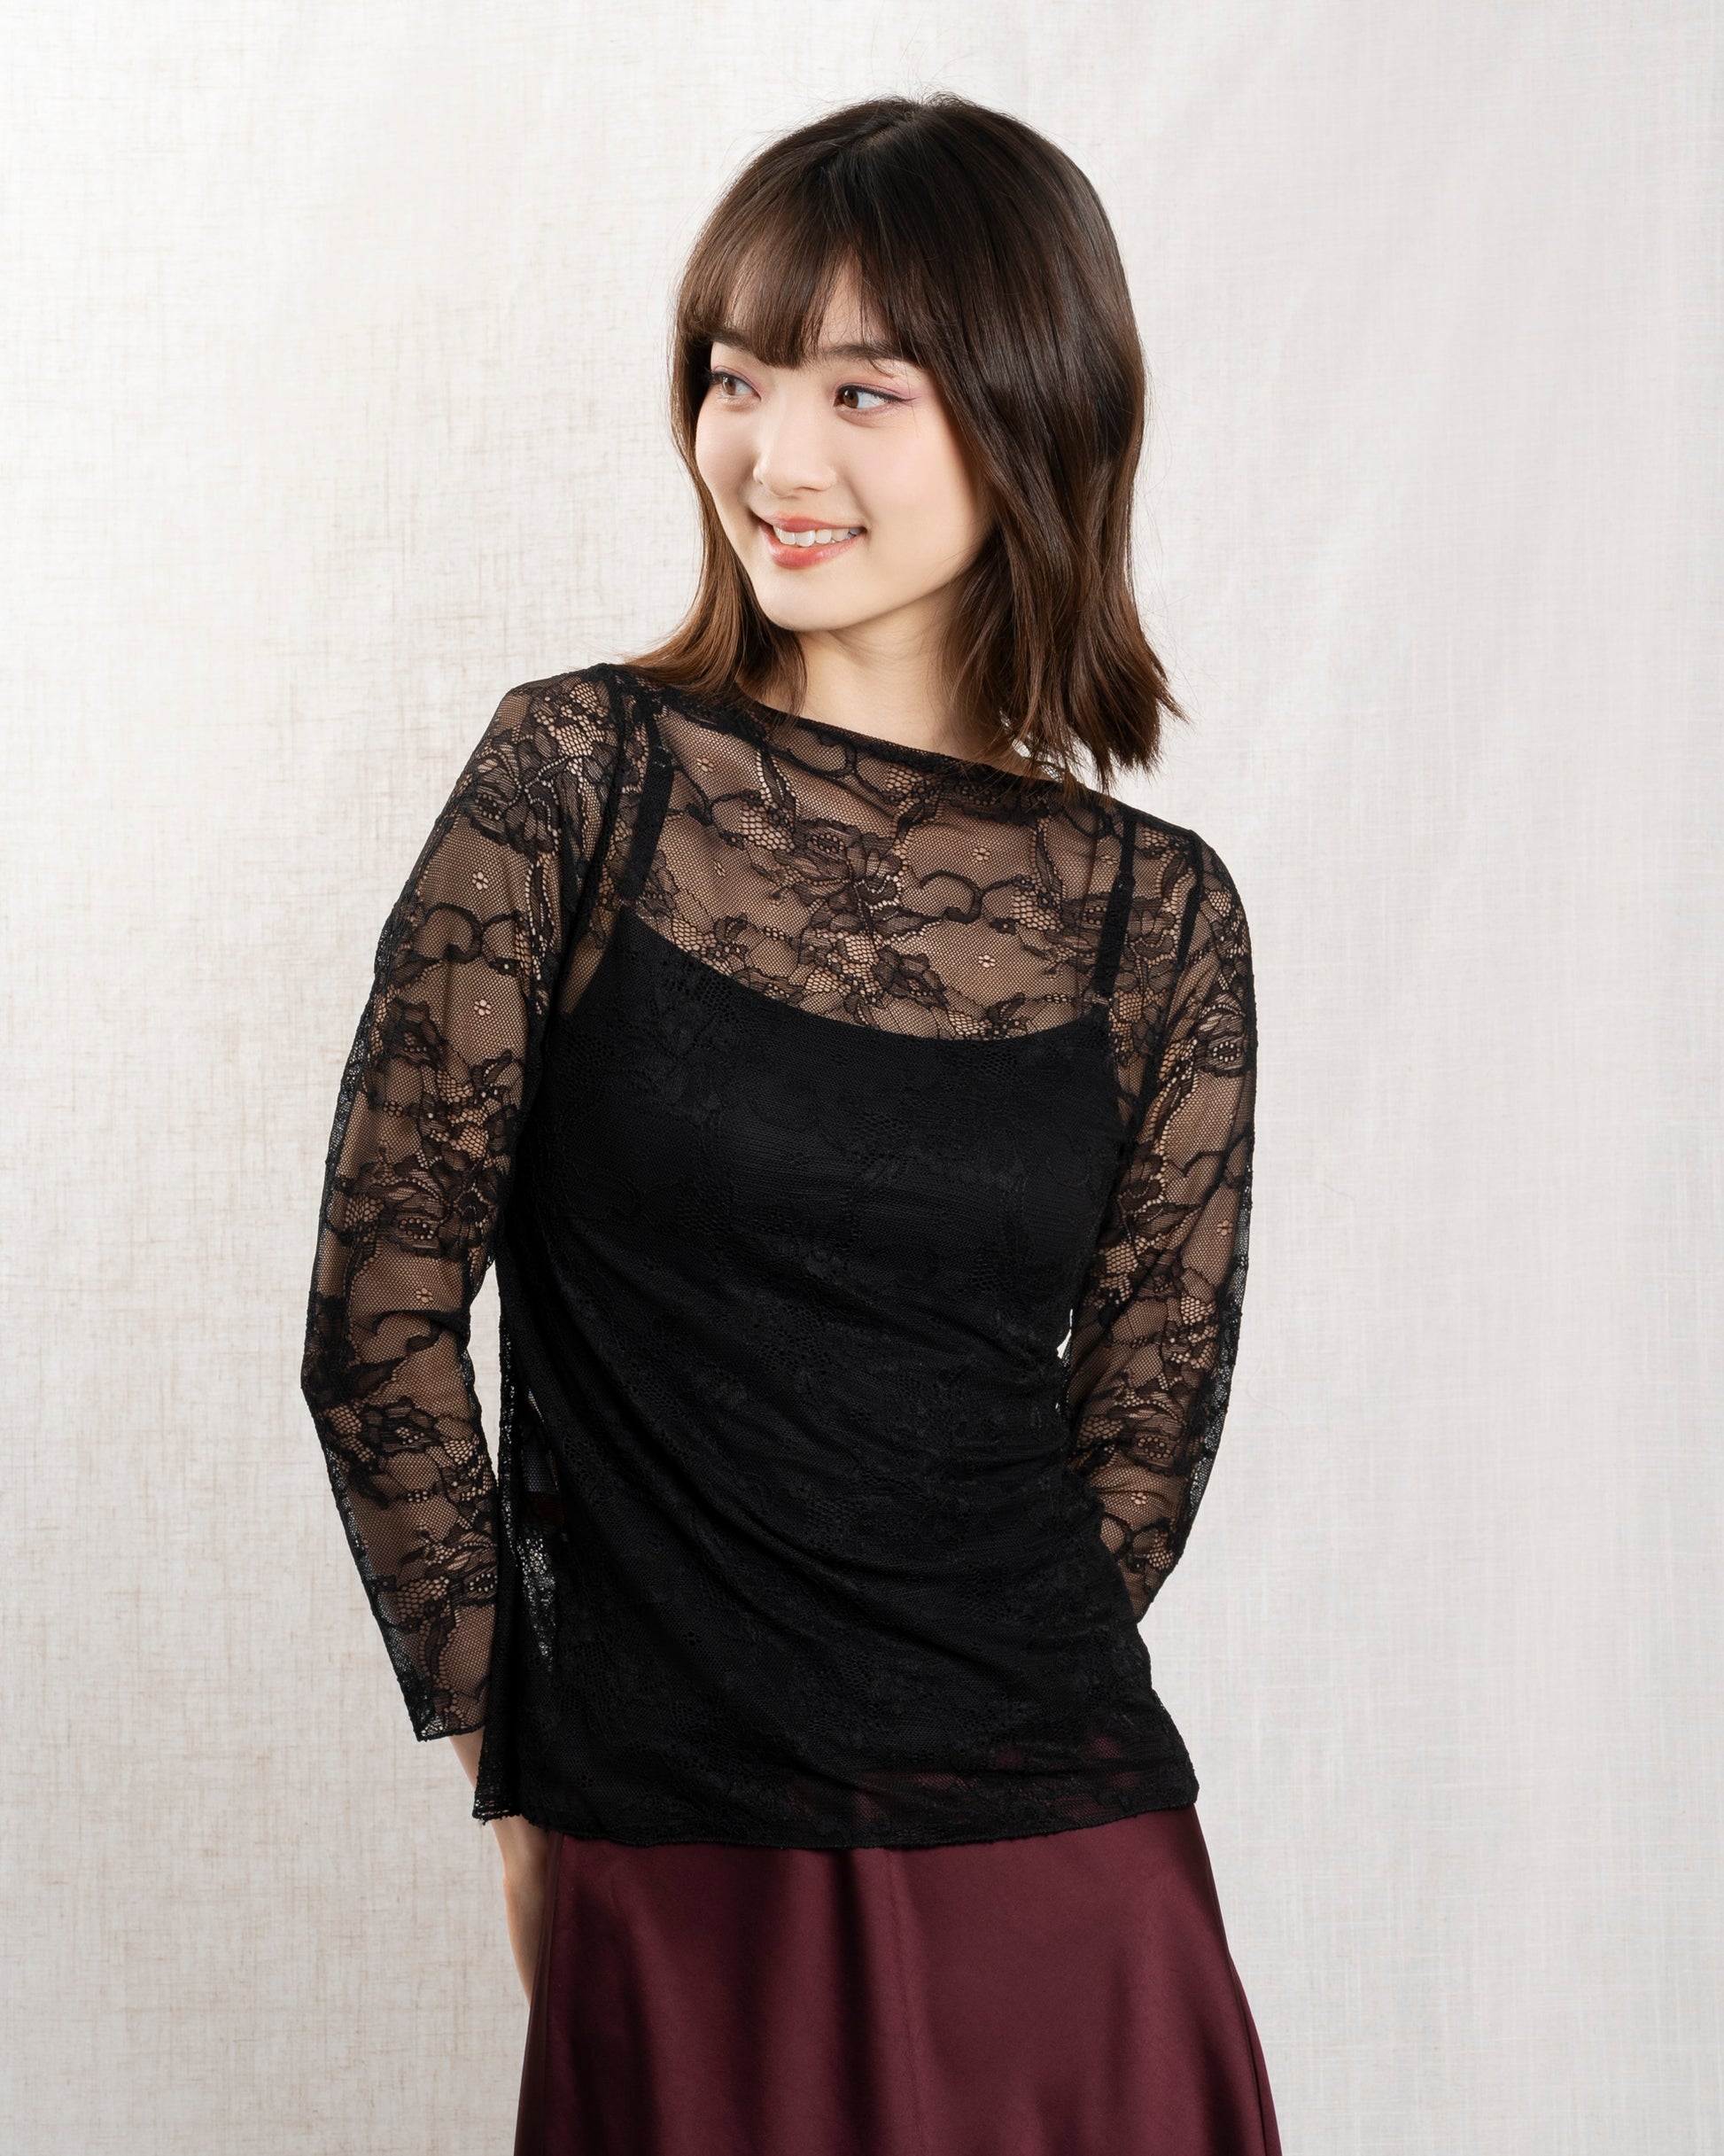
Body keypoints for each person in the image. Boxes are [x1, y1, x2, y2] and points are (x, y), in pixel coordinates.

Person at [299, 90, 1277, 2156]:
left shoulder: (1158, 915)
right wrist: (522, 1772)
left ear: (1029, 418)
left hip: (1068, 1879)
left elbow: (1141, 1428)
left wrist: (921, 1714)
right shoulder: (579, 781)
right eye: (734, 378)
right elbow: (378, 1319)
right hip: (675, 1851)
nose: (771, 454)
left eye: (861, 389)